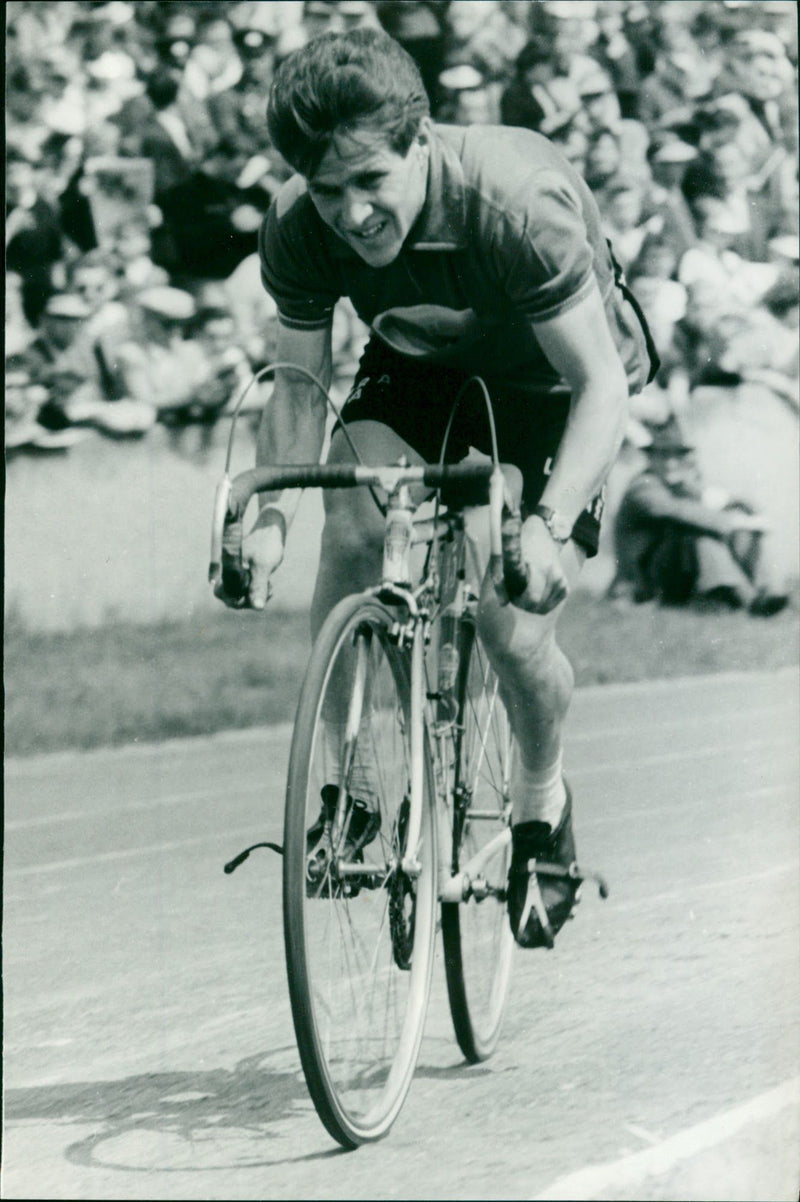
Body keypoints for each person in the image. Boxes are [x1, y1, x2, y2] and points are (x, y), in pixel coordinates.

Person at [215, 28, 658, 951]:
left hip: (550, 384)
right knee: (349, 514)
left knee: (510, 624)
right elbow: (300, 395)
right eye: (329, 190)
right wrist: (264, 524)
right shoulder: (299, 226)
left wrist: (546, 524)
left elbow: (602, 385)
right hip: (420, 366)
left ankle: (540, 805)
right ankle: (357, 786)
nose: (353, 214)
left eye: (372, 181)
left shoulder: (513, 201)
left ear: (422, 140)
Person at [609, 416, 787, 616]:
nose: (671, 463)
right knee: (702, 533)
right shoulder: (643, 488)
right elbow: (682, 512)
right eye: (663, 456)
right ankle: (749, 599)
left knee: (738, 526)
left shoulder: (679, 484)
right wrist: (740, 521)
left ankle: (767, 590)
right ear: (650, 459)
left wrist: (745, 508)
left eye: (677, 456)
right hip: (646, 580)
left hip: (674, 571)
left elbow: (715, 500)